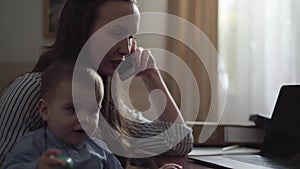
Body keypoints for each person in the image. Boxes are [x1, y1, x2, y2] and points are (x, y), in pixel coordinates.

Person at [0, 0, 193, 168]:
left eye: (131, 37)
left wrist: (152, 76)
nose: (127, 48)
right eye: (117, 32)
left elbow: (178, 142)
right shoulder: (31, 89)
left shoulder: (102, 97)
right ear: (81, 30)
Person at [2, 60, 123, 169]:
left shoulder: (100, 150)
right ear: (45, 110)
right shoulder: (34, 144)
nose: (84, 119)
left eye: (92, 110)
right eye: (72, 109)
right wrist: (37, 166)